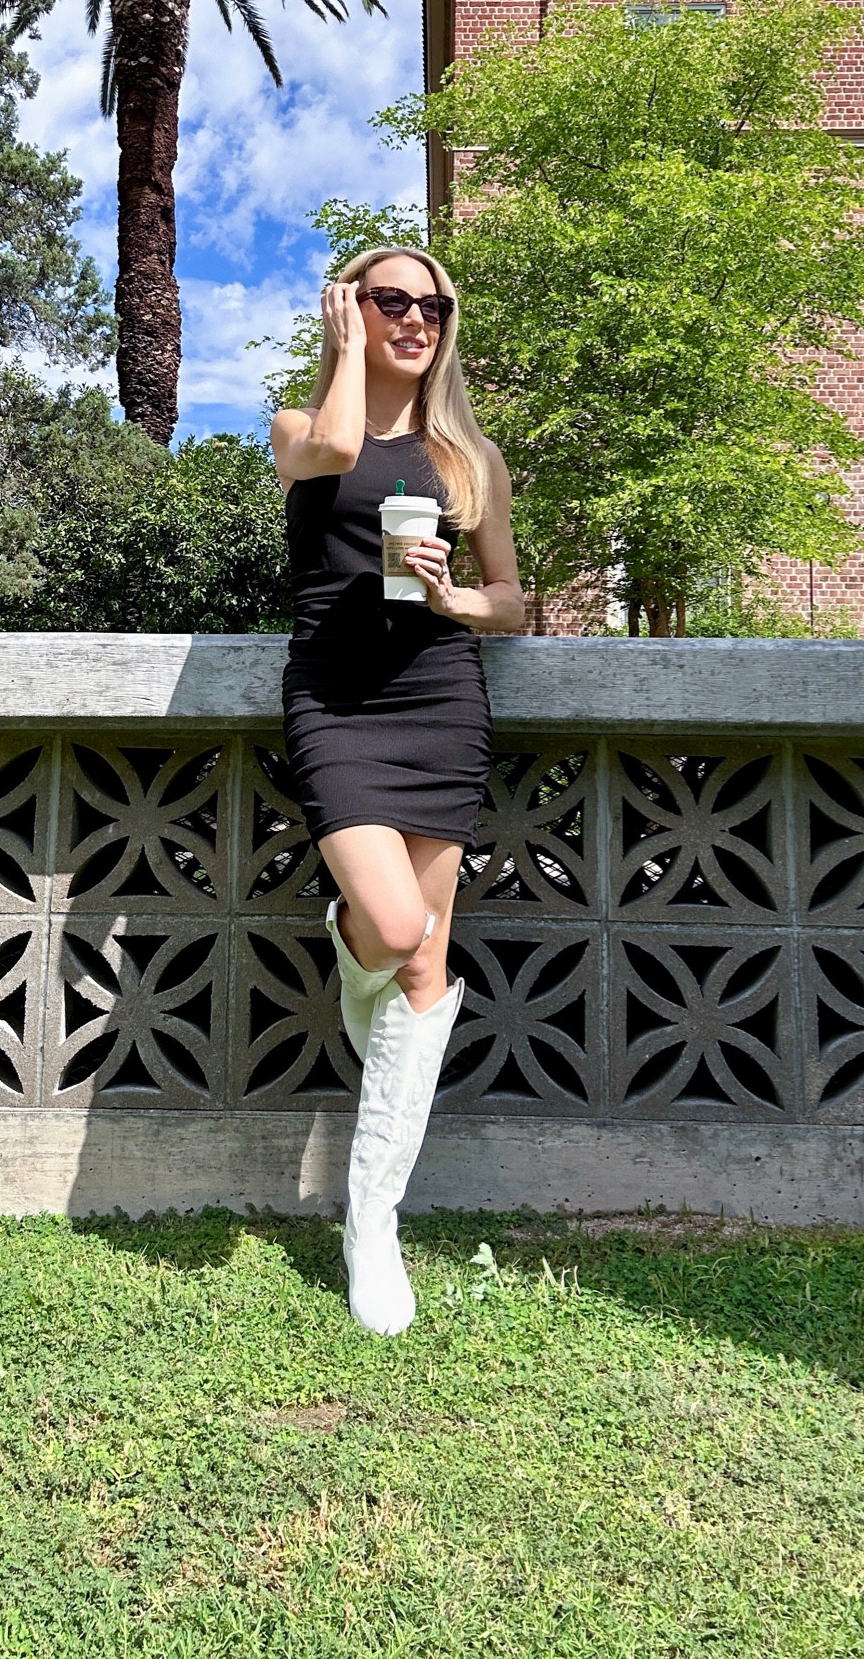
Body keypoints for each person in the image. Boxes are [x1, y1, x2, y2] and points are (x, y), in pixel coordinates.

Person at [270, 247, 526, 1334]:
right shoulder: (296, 423)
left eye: (433, 304)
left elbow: (515, 600)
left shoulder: (466, 457)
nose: (416, 317)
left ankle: (371, 1224)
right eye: (392, 300)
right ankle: (344, 935)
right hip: (335, 699)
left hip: (437, 698)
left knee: (425, 961)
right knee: (389, 922)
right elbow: (328, 449)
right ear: (351, 308)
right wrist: (338, 355)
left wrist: (454, 597)